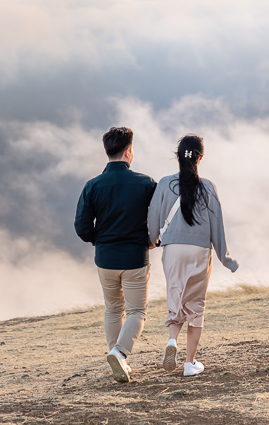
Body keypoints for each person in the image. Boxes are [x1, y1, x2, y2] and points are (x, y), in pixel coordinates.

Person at [148, 134, 237, 377]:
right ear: (200, 158)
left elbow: (153, 216)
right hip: (199, 249)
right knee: (196, 304)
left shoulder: (165, 183)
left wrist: (151, 240)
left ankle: (171, 341)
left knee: (176, 295)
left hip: (172, 248)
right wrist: (225, 257)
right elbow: (216, 223)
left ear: (178, 156)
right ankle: (189, 363)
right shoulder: (208, 186)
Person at [74, 126, 157, 383]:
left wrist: (100, 240)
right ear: (129, 152)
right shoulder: (145, 183)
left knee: (112, 310)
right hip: (134, 258)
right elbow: (156, 220)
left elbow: (82, 227)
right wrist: (151, 240)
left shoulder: (93, 185)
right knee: (136, 311)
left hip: (106, 259)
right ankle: (119, 353)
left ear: (106, 151)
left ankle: (117, 358)